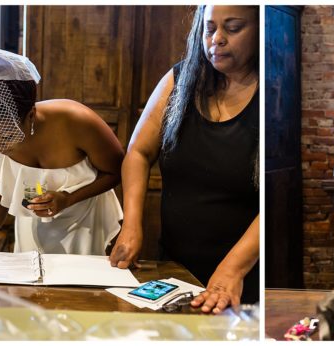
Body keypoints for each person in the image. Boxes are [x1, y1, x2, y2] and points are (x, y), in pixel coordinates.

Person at [109, 5, 259, 314]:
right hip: (175, 270)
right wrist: (132, 223)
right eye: (209, 28)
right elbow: (138, 152)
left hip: (242, 276)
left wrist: (233, 269)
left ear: (259, 29)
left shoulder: (270, 93)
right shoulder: (180, 79)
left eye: (232, 28)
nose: (216, 39)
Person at [0, 49, 125, 257]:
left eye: (6, 135)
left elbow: (117, 172)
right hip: (31, 237)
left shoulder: (76, 120)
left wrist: (68, 198)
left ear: (31, 115)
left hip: (89, 228)